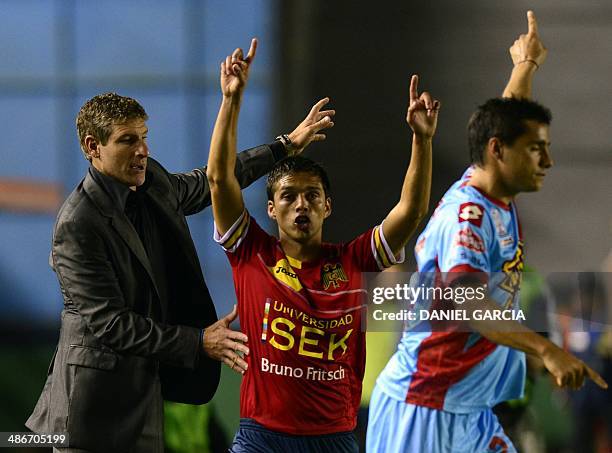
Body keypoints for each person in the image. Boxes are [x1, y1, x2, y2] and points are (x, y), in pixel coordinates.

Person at [25, 62, 332, 452]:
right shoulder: (77, 224)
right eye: (126, 141)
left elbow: (210, 182)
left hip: (145, 395)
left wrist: (283, 147)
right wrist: (198, 341)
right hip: (93, 407)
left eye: (144, 137)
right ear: (92, 147)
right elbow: (110, 324)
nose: (142, 151)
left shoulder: (150, 179)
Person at [367, 11, 608, 453]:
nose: (547, 162)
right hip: (425, 409)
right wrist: (547, 350)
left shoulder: (493, 187)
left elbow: (505, 124)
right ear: (499, 153)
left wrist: (526, 65)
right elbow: (471, 303)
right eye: (537, 150)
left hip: (470, 409)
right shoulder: (469, 218)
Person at [206, 37, 439, 452]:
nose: (301, 205)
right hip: (261, 438)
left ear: (327, 207)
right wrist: (231, 101)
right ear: (272, 209)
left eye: (312, 196)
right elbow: (220, 180)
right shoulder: (250, 252)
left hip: (334, 440)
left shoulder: (354, 261)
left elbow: (412, 211)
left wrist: (421, 140)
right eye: (289, 196)